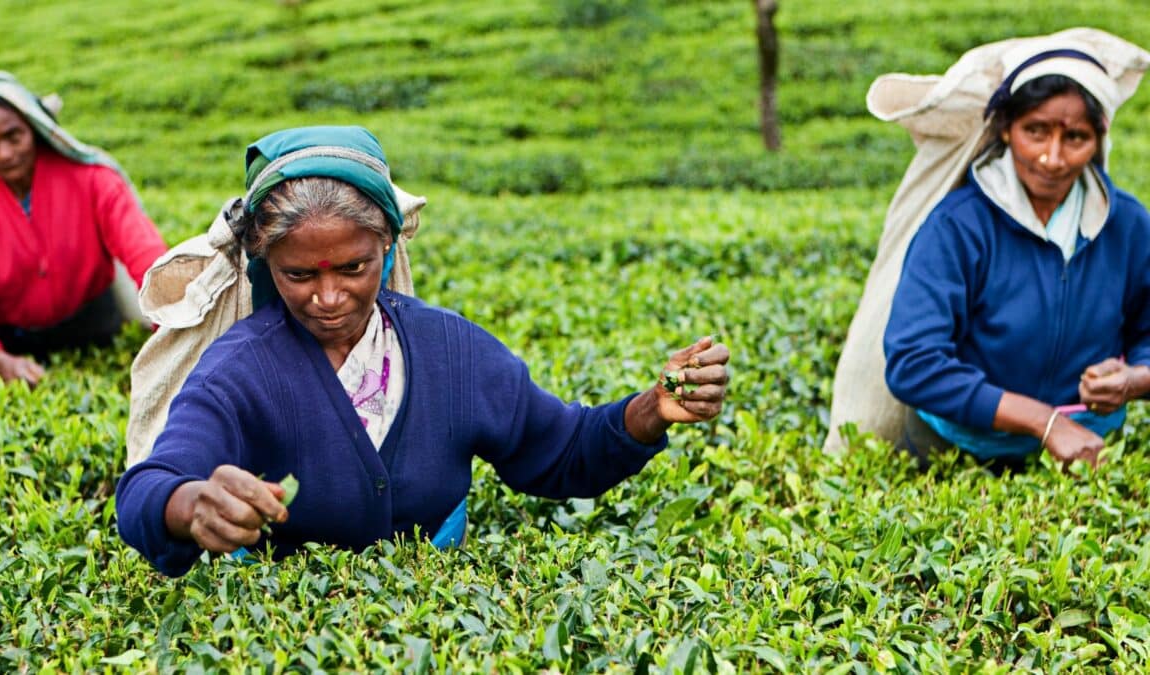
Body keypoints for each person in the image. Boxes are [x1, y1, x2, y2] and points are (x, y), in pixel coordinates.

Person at [115, 126, 730, 577]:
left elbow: (562, 449)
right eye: (299, 274)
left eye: (353, 267)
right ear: (265, 263)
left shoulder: (449, 350)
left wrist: (651, 409)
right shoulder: (239, 369)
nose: (328, 297)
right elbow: (148, 487)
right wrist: (190, 505)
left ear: (385, 243)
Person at [884, 42, 1150, 473]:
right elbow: (914, 362)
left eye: (1076, 138)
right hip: (958, 450)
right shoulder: (959, 227)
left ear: (1099, 138)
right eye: (1037, 131)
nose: (1053, 157)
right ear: (1007, 129)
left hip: (1087, 452)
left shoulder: (1128, 226)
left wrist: (1136, 379)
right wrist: (1044, 423)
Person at [0, 71, 167, 386]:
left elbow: (147, 258)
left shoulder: (93, 180)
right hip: (10, 339)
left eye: (13, 136)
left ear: (35, 129)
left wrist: (171, 327)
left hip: (94, 326)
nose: (4, 154)